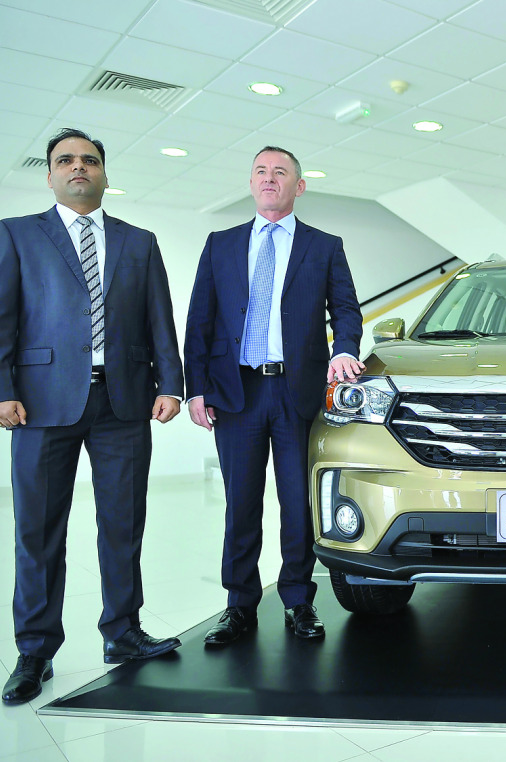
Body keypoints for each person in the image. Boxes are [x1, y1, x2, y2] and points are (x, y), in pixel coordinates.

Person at [0, 128, 184, 705]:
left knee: (123, 523)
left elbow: (159, 317)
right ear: (49, 175)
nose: (78, 168)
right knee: (38, 531)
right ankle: (35, 650)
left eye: (90, 160)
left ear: (104, 175)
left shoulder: (138, 241)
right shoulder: (17, 235)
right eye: (65, 160)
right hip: (39, 403)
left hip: (125, 402)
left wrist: (172, 382)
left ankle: (122, 633)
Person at [183, 146, 363, 646]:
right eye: (261, 171)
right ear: (251, 182)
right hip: (235, 392)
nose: (269, 179)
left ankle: (298, 601)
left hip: (297, 391)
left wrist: (344, 350)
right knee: (241, 503)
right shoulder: (221, 244)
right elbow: (199, 321)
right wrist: (194, 387)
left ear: (298, 186)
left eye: (280, 172)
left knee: (297, 504)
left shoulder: (324, 246)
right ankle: (239, 605)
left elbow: (345, 311)